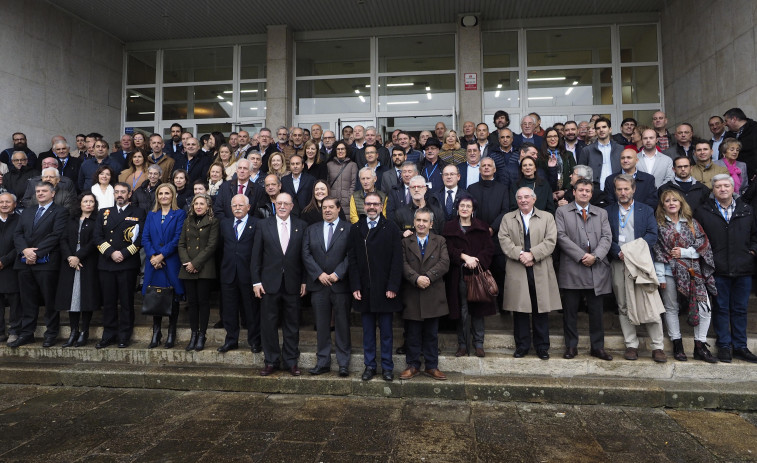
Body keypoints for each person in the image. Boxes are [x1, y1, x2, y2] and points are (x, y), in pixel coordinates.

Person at [695, 174, 757, 363]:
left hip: (743, 268)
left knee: (739, 309)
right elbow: (699, 238)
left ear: (733, 188)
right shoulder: (704, 210)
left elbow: (755, 234)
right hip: (718, 269)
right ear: (713, 190)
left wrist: (752, 251)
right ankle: (724, 345)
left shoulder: (746, 209)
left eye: (726, 186)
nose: (722, 189)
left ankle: (740, 346)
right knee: (721, 308)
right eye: (718, 186)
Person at [606, 174, 667, 363]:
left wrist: (631, 252)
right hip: (619, 262)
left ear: (633, 189)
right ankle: (631, 344)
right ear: (615, 191)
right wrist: (619, 252)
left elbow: (652, 235)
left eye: (626, 189)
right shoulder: (607, 212)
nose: (623, 192)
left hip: (641, 263)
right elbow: (606, 237)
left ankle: (657, 347)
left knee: (649, 303)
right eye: (619, 189)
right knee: (623, 305)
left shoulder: (646, 210)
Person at [654, 189, 717, 363]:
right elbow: (657, 251)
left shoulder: (692, 223)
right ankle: (677, 345)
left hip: (693, 272)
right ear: (663, 205)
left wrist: (685, 252)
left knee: (705, 308)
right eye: (667, 201)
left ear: (681, 203)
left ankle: (700, 345)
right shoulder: (659, 225)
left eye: (675, 200)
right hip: (668, 272)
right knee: (671, 308)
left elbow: (704, 246)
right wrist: (660, 277)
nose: (672, 203)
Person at [499, 187, 561, 359]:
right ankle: (522, 346)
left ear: (534, 199)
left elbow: (551, 240)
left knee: (540, 307)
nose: (523, 200)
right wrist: (521, 254)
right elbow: (503, 240)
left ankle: (542, 347)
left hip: (540, 267)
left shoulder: (547, 217)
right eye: (519, 197)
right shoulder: (507, 218)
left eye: (527, 197)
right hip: (517, 267)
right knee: (520, 309)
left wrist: (533, 254)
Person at [555, 178, 613, 360]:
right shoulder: (562, 211)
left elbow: (607, 237)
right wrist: (581, 255)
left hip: (596, 267)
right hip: (573, 266)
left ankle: (598, 347)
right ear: (574, 192)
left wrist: (595, 256)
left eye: (588, 191)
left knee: (596, 311)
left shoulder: (601, 213)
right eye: (581, 190)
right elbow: (561, 236)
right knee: (570, 311)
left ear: (592, 193)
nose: (584, 193)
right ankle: (571, 346)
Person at [348, 192, 403, 382]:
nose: (371, 207)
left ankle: (387, 367)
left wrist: (393, 286)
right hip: (365, 289)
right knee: (368, 332)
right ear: (364, 206)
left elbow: (397, 259)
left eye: (375, 204)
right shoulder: (356, 228)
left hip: (386, 290)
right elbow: (352, 259)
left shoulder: (391, 228)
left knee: (386, 333)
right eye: (368, 204)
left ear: (381, 206)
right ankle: (370, 366)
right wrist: (355, 285)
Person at [252, 192, 308, 376]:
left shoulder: (301, 225)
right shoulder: (262, 225)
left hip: (293, 284)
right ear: (274, 205)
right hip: (269, 284)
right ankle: (271, 361)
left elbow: (304, 257)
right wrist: (256, 281)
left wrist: (304, 281)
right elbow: (256, 256)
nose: (282, 206)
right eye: (279, 203)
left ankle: (291, 361)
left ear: (292, 206)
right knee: (268, 324)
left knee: (292, 324)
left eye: (286, 203)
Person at [9, 182, 68, 348]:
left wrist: (36, 253)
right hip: (24, 262)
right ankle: (27, 334)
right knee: (27, 301)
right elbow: (17, 234)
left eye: (44, 191)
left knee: (50, 300)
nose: (40, 194)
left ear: (53, 193)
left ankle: (51, 334)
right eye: (38, 191)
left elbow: (56, 235)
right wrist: (25, 251)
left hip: (46, 263)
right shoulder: (27, 211)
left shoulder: (60, 211)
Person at [302, 196, 352, 376]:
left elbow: (351, 255)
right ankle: (322, 362)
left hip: (340, 285)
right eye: (324, 208)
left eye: (331, 207)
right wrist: (319, 274)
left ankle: (343, 363)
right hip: (319, 285)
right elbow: (306, 254)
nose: (327, 210)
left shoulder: (348, 229)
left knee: (342, 325)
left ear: (339, 209)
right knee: (322, 326)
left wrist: (338, 274)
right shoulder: (311, 229)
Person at [399, 207, 450, 381]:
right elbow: (402, 263)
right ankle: (412, 365)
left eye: (425, 221)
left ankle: (431, 366)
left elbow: (444, 263)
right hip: (412, 292)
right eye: (418, 220)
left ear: (431, 224)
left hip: (433, 292)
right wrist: (416, 278)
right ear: (413, 222)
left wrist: (428, 277)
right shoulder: (405, 242)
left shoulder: (440, 240)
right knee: (412, 333)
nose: (421, 224)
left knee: (431, 333)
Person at [92, 183, 145, 349]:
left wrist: (124, 253)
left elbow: (140, 238)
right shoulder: (104, 212)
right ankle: (109, 334)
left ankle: (124, 335)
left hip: (127, 263)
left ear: (130, 194)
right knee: (108, 302)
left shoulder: (138, 212)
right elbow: (97, 237)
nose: (120, 195)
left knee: (127, 302)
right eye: (117, 192)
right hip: (107, 263)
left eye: (123, 192)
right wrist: (111, 253)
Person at [443, 196, 496, 357]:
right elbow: (447, 249)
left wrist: (476, 260)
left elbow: (489, 249)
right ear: (457, 208)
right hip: (457, 274)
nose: (465, 208)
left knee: (478, 310)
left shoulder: (482, 227)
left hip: (477, 275)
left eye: (468, 206)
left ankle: (478, 344)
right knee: (460, 310)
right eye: (462, 206)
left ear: (473, 210)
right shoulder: (449, 227)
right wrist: (465, 258)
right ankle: (462, 344)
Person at [142, 183, 187, 349]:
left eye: (167, 193)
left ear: (172, 195)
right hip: (153, 263)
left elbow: (178, 238)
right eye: (160, 193)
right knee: (155, 297)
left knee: (172, 297)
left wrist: (161, 255)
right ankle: (156, 332)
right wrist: (153, 256)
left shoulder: (180, 214)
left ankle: (171, 333)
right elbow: (145, 237)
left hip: (170, 261)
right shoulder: (152, 214)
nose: (163, 196)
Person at [56, 192, 100, 347]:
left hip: (87, 262)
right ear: (80, 203)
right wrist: (70, 257)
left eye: (91, 201)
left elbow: (95, 241)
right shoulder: (71, 220)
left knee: (86, 297)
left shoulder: (97, 220)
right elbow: (63, 239)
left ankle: (84, 331)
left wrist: (78, 256)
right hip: (70, 264)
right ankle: (73, 331)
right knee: (72, 298)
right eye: (85, 201)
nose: (88, 204)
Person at [217, 194, 261, 354]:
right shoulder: (225, 224)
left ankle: (255, 341)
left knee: (251, 310)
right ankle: (231, 340)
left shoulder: (257, 224)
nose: (237, 208)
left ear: (248, 207)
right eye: (234, 205)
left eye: (241, 205)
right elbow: (221, 248)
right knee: (229, 310)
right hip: (228, 273)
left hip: (248, 275)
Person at [178, 193, 218, 351]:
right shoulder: (187, 221)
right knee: (192, 303)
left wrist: (195, 263)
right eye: (196, 204)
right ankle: (193, 334)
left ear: (208, 206)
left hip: (204, 268)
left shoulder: (213, 222)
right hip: (188, 267)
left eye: (202, 204)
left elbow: (212, 245)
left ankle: (202, 334)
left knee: (203, 302)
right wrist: (187, 262)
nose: (199, 206)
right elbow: (181, 244)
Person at [0, 192, 21, 345]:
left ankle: (14, 331)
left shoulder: (20, 220)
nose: (4, 205)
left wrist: (4, 260)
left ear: (14, 204)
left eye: (8, 202)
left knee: (14, 301)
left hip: (12, 266)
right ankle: (0, 332)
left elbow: (19, 243)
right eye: (1, 202)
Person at [326, 141, 358, 218]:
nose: (340, 151)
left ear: (346, 150)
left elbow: (354, 183)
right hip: (332, 202)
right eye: (338, 149)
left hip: (347, 203)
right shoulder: (329, 165)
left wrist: (349, 198)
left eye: (343, 149)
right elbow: (327, 184)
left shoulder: (353, 165)